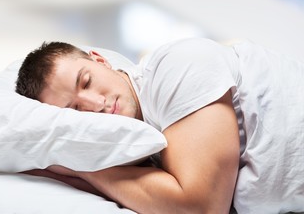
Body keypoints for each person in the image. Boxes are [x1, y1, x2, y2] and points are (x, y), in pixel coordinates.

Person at [16, 38, 304, 214]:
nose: (94, 103)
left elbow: (201, 209)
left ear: (101, 61)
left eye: (86, 81)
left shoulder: (176, 66)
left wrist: (81, 166)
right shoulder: (137, 149)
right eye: (75, 109)